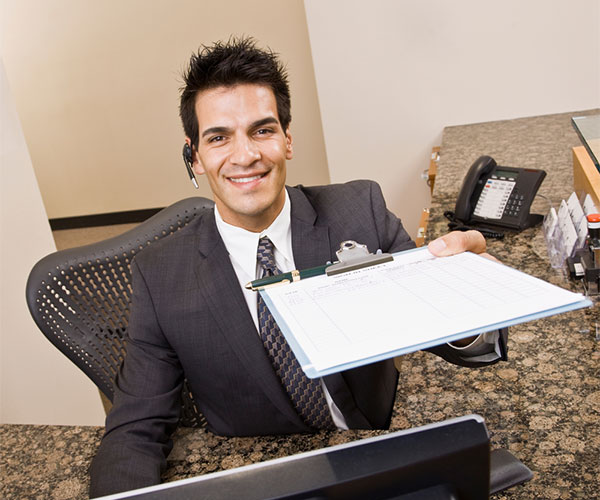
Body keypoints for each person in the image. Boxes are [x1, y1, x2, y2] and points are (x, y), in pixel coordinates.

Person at [89, 37, 507, 497]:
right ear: (195, 157)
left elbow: (455, 337)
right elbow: (135, 427)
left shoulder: (359, 211)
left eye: (262, 130)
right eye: (219, 137)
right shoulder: (160, 276)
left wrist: (469, 297)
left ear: (288, 140)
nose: (245, 155)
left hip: (380, 453)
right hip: (266, 479)